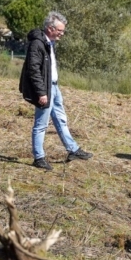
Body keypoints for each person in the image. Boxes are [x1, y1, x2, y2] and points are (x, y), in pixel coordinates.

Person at [19, 11, 92, 171]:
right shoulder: (37, 44)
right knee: (41, 125)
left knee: (61, 119)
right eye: (60, 30)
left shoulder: (49, 43)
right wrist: (41, 93)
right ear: (50, 28)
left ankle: (73, 150)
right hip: (45, 89)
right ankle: (39, 158)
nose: (62, 33)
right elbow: (33, 70)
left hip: (54, 87)